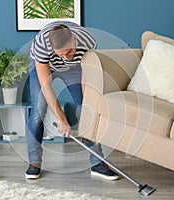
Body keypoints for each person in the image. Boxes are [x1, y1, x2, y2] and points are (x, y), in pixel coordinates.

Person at [26, 21, 119, 181]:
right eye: (60, 53)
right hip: (45, 66)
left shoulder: (88, 42)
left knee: (87, 109)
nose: (64, 57)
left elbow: (85, 78)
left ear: (74, 39)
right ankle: (34, 162)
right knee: (38, 112)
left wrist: (86, 106)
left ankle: (98, 163)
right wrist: (62, 119)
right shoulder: (41, 43)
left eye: (68, 51)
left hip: (74, 69)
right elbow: (46, 86)